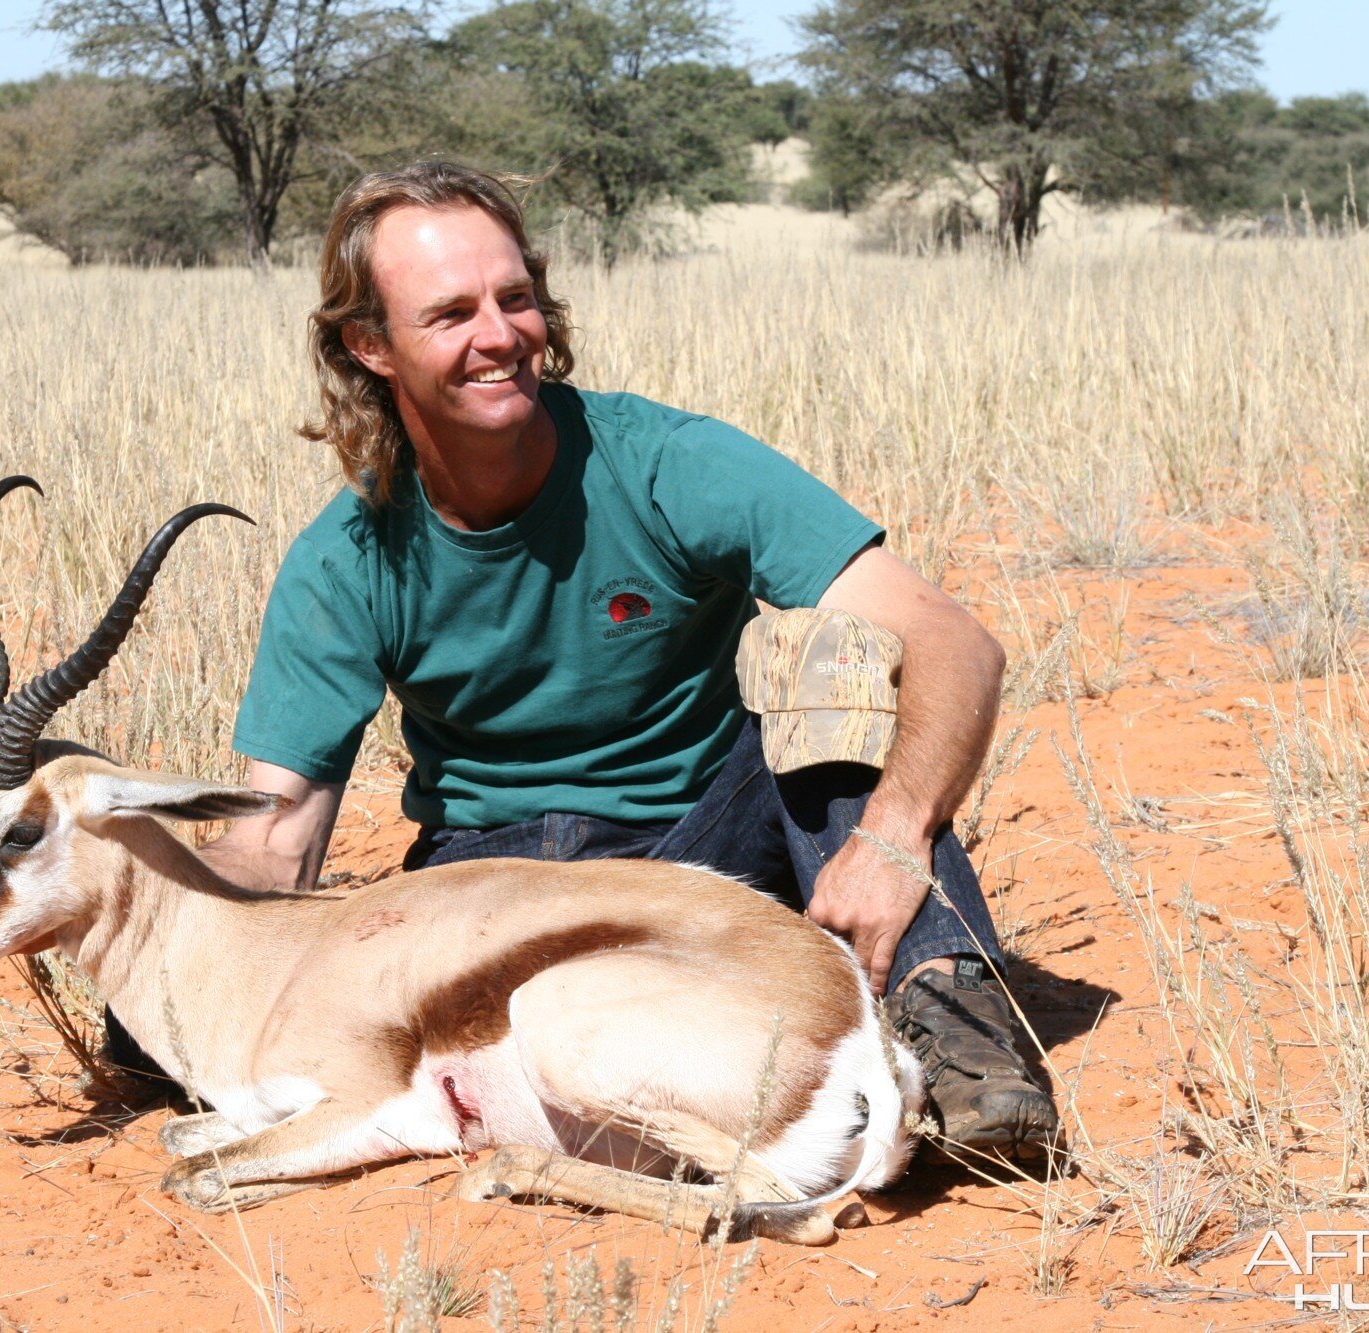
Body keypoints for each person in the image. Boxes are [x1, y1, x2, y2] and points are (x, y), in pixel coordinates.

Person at [185, 161, 1058, 1159]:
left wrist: (893, 839)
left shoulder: (666, 463)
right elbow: (275, 843)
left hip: (708, 848)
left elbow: (955, 642)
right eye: (451, 313)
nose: (498, 336)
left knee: (832, 662)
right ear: (370, 345)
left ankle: (951, 1024)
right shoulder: (345, 557)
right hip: (490, 886)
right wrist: (133, 910)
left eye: (514, 298)